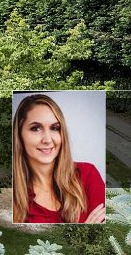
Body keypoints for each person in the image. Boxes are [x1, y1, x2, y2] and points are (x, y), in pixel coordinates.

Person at [12, 94, 106, 223]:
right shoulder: (12, 196)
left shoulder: (87, 175)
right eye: (36, 128)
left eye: (54, 128)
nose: (47, 139)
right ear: (19, 134)